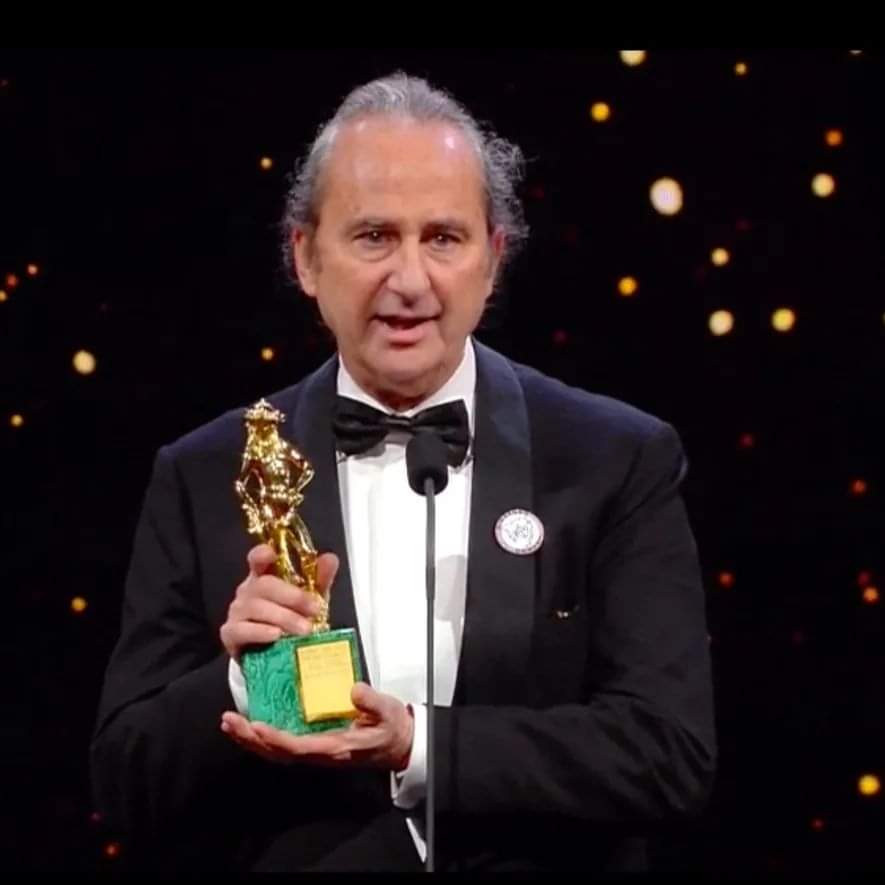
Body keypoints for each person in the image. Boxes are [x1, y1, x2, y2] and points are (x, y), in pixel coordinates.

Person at [90, 71, 716, 873]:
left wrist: (420, 744)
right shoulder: (208, 471)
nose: (411, 280)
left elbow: (666, 753)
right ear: (305, 257)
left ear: (493, 259)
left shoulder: (612, 458)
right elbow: (125, 782)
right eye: (373, 236)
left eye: (443, 238)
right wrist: (241, 680)